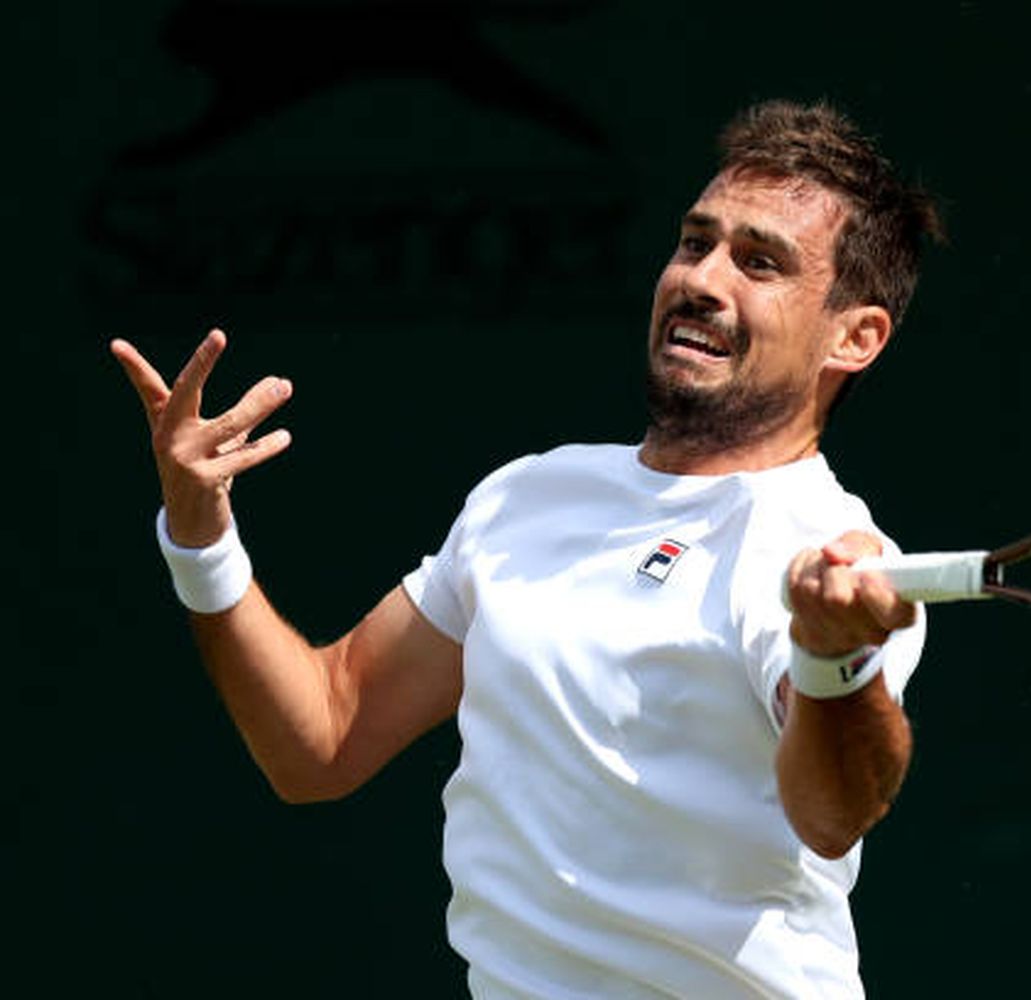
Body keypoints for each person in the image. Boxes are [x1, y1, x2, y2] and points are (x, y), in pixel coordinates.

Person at [111, 99, 945, 998]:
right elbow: (323, 737)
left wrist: (833, 661)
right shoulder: (529, 496)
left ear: (854, 337)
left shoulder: (823, 550)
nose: (702, 279)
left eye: (760, 263)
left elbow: (831, 815)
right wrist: (200, 537)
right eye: (694, 242)